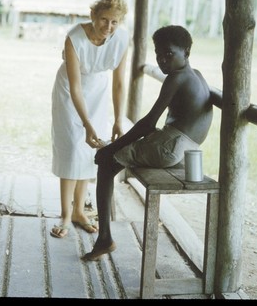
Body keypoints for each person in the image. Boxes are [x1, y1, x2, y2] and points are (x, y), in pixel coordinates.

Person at [82, 25, 213, 261]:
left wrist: (111, 148)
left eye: (169, 54)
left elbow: (148, 124)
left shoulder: (176, 78)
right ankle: (104, 235)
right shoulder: (197, 75)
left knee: (105, 163)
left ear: (187, 52)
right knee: (115, 155)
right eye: (158, 54)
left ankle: (104, 239)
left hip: (170, 147)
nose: (162, 60)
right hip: (188, 149)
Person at [50, 0, 130, 239]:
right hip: (69, 91)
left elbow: (118, 83)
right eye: (104, 20)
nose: (109, 27)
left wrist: (118, 118)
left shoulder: (121, 39)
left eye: (114, 22)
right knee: (72, 148)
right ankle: (65, 214)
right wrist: (87, 124)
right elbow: (75, 87)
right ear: (93, 16)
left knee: (90, 150)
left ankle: (79, 212)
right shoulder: (74, 38)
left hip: (97, 91)